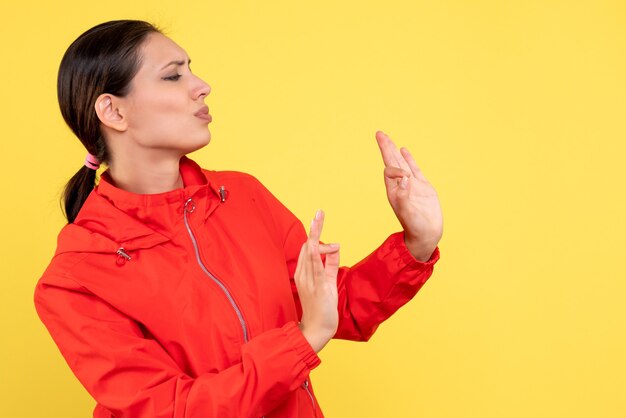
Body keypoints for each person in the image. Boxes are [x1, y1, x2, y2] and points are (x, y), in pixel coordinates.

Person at [33, 19, 443, 418]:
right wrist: (303, 339)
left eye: (192, 70)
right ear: (113, 111)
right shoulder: (76, 278)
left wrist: (416, 244)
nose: (201, 86)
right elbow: (173, 409)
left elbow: (333, 307)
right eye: (173, 76)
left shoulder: (243, 197)